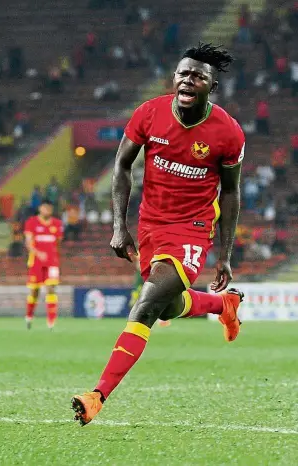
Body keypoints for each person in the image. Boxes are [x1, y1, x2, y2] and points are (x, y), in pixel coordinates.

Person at [71, 43, 245, 425]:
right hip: (151, 224)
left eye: (198, 76)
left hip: (193, 227)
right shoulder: (149, 113)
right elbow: (121, 166)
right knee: (166, 304)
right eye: (183, 73)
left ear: (211, 86)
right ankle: (222, 305)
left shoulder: (228, 133)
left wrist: (226, 254)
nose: (188, 79)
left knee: (147, 306)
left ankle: (97, 395)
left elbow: (230, 192)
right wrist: (119, 226)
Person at [24, 199, 63, 330]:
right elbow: (28, 243)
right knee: (34, 291)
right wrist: (38, 253)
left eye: (49, 208)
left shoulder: (57, 224)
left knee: (51, 288)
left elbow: (57, 242)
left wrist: (52, 256)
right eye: (45, 208)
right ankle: (29, 317)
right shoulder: (31, 222)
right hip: (36, 262)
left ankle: (51, 322)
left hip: (52, 263)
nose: (47, 210)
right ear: (40, 208)